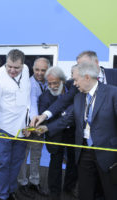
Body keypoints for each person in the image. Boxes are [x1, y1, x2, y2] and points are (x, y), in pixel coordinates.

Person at [36, 62, 117, 200]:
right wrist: (47, 127)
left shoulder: (113, 93)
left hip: (108, 153)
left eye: (75, 79)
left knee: (109, 192)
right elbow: (68, 118)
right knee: (85, 193)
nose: (73, 83)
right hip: (84, 151)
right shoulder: (79, 97)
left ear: (86, 77)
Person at [31, 50, 117, 127]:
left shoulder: (114, 76)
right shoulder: (76, 83)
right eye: (78, 66)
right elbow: (64, 101)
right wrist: (45, 115)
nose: (79, 69)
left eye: (83, 65)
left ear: (96, 62)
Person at [0, 49, 31, 200]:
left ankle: (11, 190)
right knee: (3, 163)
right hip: (4, 127)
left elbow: (27, 98)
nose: (12, 70)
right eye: (9, 66)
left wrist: (28, 122)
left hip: (22, 128)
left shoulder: (26, 70)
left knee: (17, 162)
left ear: (23, 65)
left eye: (16, 68)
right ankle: (2, 195)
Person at [38, 67, 77, 200]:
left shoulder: (73, 88)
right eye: (49, 83)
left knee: (73, 161)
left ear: (63, 81)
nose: (53, 86)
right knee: (55, 163)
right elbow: (43, 120)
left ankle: (69, 188)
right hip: (55, 134)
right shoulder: (44, 97)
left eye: (55, 83)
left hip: (72, 132)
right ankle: (54, 193)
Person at [17, 58, 49, 198]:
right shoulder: (29, 84)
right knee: (23, 157)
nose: (40, 73)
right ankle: (22, 184)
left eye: (43, 70)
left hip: (39, 126)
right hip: (27, 126)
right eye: (37, 70)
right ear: (33, 69)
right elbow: (33, 104)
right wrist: (34, 124)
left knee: (36, 155)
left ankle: (34, 182)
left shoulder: (49, 82)